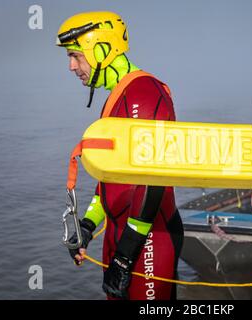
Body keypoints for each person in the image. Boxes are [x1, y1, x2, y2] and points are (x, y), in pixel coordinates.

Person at [56, 11, 184, 300]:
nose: (70, 66)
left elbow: (154, 178)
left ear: (102, 50)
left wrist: (125, 256)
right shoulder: (117, 97)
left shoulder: (144, 93)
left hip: (149, 240)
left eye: (76, 56)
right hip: (123, 237)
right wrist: (88, 225)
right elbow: (112, 180)